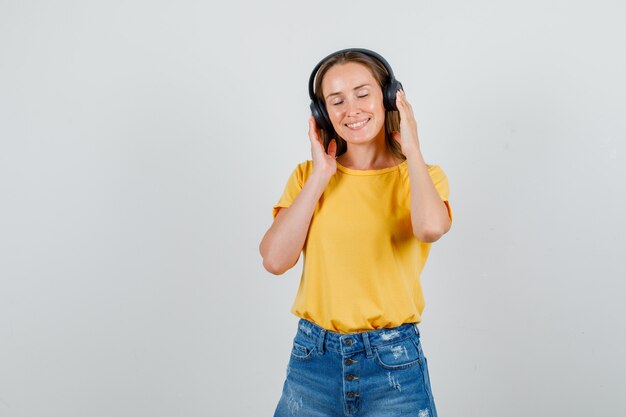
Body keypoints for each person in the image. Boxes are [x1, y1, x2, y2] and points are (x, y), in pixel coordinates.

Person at [259, 48, 453, 417]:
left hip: (393, 362)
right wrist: (320, 176)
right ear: (322, 114)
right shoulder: (307, 177)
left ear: (389, 96)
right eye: (337, 101)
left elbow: (430, 228)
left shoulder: (422, 176)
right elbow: (274, 260)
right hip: (313, 359)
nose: (352, 109)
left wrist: (411, 147)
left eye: (362, 93)